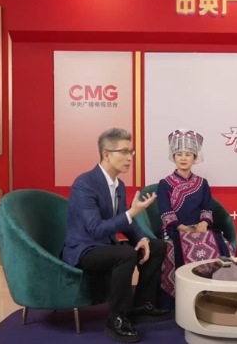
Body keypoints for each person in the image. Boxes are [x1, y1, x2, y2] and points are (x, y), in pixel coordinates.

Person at [61, 128, 171, 343]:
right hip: (84, 249)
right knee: (125, 254)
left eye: (131, 151)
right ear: (106, 154)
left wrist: (142, 238)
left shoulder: (118, 184)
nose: (130, 157)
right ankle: (117, 319)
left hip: (106, 246)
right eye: (124, 152)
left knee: (156, 246)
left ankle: (141, 305)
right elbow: (95, 229)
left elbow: (125, 223)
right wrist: (132, 212)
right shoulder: (84, 184)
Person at [157, 129, 234, 297]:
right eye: (179, 154)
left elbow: (207, 208)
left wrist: (204, 223)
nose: (183, 158)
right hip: (175, 230)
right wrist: (182, 227)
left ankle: (217, 292)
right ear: (173, 157)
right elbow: (166, 212)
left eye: (188, 154)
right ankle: (185, 294)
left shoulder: (202, 183)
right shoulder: (164, 184)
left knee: (218, 243)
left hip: (199, 228)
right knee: (182, 246)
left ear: (194, 157)